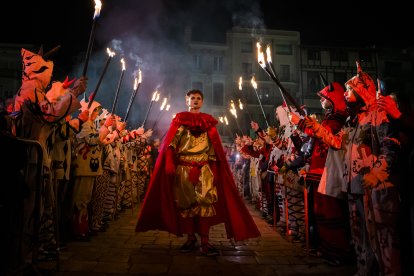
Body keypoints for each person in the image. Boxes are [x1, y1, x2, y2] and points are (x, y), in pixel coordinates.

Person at [290, 62, 401, 275]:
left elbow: (391, 145)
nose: (346, 92)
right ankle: (362, 270)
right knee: (360, 236)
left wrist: (378, 173)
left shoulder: (377, 114)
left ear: (362, 90)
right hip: (354, 188)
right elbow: (334, 141)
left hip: (374, 190)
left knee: (382, 240)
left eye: (350, 89)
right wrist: (309, 126)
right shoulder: (353, 120)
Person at [136, 89, 260, 256]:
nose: (195, 100)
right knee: (186, 204)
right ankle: (190, 238)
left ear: (202, 102)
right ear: (187, 101)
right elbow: (171, 144)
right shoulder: (180, 121)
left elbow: (214, 150)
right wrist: (170, 162)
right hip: (184, 170)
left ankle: (205, 241)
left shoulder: (208, 122)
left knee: (205, 204)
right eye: (192, 98)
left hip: (204, 170)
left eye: (198, 98)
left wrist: (215, 170)